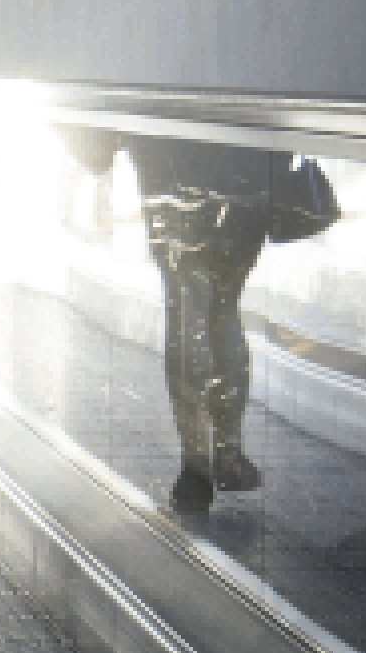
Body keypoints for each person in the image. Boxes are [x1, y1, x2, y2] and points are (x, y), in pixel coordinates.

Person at [67, 128, 275, 510]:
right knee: (226, 308)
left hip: (172, 175)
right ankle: (229, 453)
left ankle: (196, 470)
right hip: (246, 172)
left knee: (187, 313)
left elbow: (99, 145)